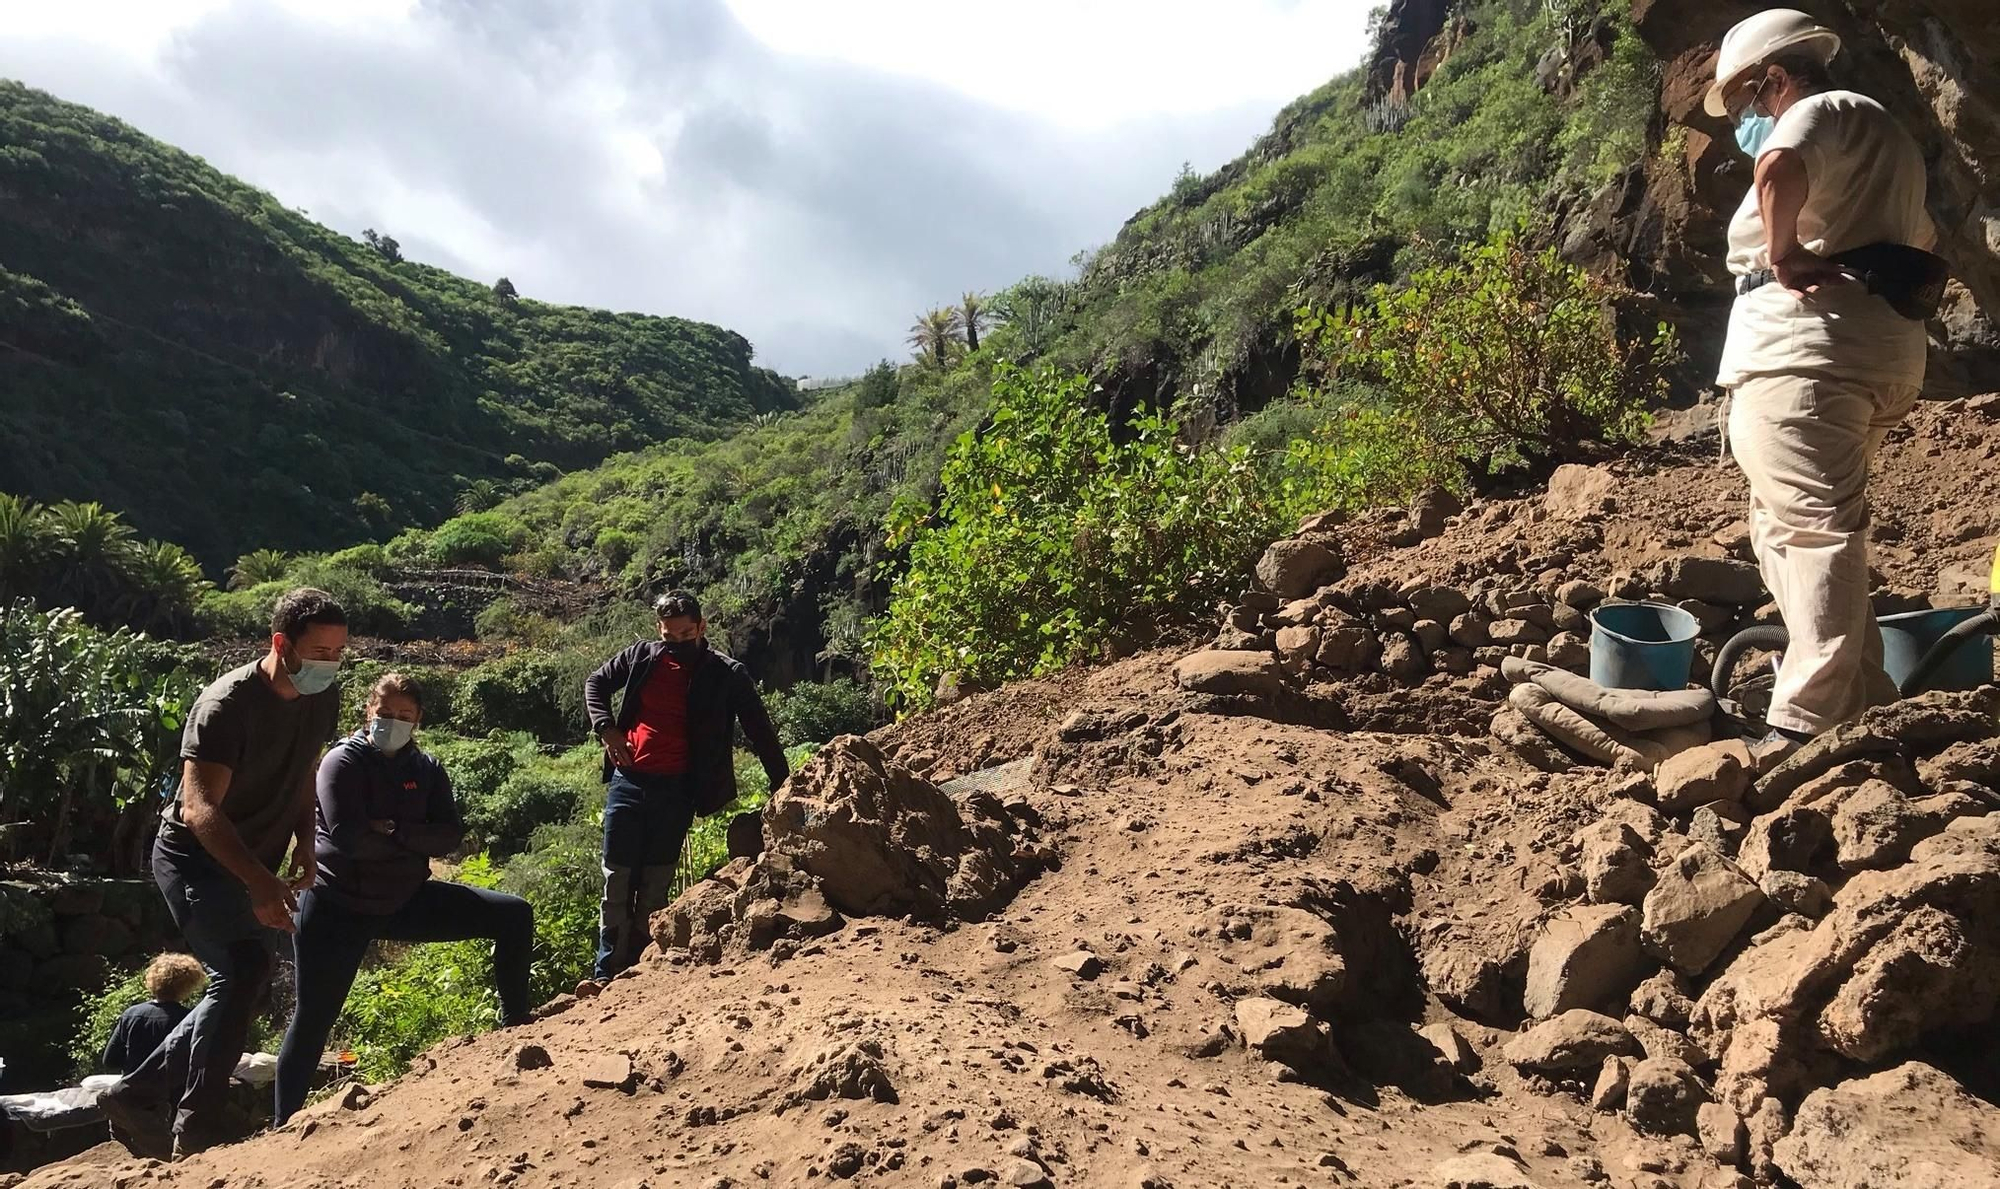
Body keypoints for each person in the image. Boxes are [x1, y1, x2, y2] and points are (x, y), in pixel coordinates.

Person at [1706, 9, 1936, 752]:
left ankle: (1800, 722)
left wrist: (1781, 253)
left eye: (1742, 102)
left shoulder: (1822, 110)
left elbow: (1779, 166)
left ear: (1775, 77)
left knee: (1813, 531)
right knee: (1786, 525)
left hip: (1808, 357)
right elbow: (1921, 239)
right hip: (1865, 352)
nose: (1742, 123)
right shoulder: (1886, 138)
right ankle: (1863, 698)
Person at [98, 588, 347, 1160]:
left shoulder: (321, 697)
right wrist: (259, 881)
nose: (330, 664)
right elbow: (199, 809)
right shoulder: (226, 706)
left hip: (252, 862)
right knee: (242, 970)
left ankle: (137, 1095)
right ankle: (194, 1125)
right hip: (194, 857)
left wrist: (306, 841)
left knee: (245, 982)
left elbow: (303, 773)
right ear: (281, 644)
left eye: (339, 653)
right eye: (320, 652)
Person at [271, 672, 534, 1126]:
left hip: (403, 900)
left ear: (418, 720)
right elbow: (349, 839)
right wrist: (414, 838)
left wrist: (392, 830)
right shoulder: (341, 762)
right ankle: (283, 1125)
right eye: (385, 712)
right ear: (368, 711)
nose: (392, 721)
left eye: (403, 715)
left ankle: (517, 1028)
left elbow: (449, 836)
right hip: (337, 908)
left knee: (514, 915)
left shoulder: (425, 768)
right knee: (313, 1019)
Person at [579, 590, 788, 988]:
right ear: (659, 630)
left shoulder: (726, 673)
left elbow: (759, 729)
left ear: (701, 627)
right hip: (628, 780)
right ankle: (606, 973)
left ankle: (639, 971)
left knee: (655, 884)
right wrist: (607, 729)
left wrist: (782, 782)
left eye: (686, 635)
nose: (677, 643)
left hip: (677, 790)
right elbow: (596, 683)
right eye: (669, 636)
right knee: (616, 880)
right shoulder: (642, 656)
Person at [100, 954, 206, 1077]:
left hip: (133, 1086)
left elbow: (110, 1060)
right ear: (188, 986)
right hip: (170, 1087)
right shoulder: (188, 1019)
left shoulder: (131, 1014)